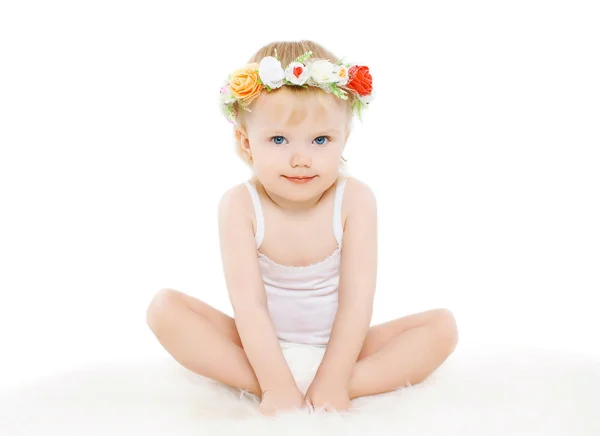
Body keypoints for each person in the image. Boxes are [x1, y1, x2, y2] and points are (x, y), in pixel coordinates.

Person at [146, 39, 459, 416]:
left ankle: (331, 386)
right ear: (246, 143)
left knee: (442, 328)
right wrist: (276, 382)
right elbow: (249, 306)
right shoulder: (240, 205)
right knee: (164, 310)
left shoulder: (355, 200)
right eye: (278, 139)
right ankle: (276, 386)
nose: (300, 158)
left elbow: (356, 303)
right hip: (258, 347)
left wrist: (336, 375)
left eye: (320, 140)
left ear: (344, 139)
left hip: (343, 346)